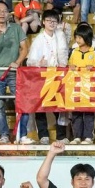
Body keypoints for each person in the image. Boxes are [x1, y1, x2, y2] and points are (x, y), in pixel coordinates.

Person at [0, 1, 30, 144]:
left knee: (21, 103)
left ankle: (22, 135)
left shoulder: (16, 28)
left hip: (14, 72)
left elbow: (25, 48)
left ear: (9, 13)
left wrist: (18, 62)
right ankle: (4, 135)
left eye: (4, 11)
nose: (2, 13)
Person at [27, 10, 70, 144]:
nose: (51, 23)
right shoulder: (39, 39)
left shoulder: (60, 35)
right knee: (40, 105)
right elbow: (30, 60)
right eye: (49, 20)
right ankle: (43, 135)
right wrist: (38, 63)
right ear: (43, 22)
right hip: (42, 76)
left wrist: (62, 66)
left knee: (59, 105)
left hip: (57, 75)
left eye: (54, 21)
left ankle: (61, 135)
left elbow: (63, 53)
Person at [68, 24, 95, 144]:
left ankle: (88, 136)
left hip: (89, 87)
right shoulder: (73, 52)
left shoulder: (94, 52)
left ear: (87, 37)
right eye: (76, 37)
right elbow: (68, 66)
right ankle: (77, 136)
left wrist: (93, 68)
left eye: (80, 37)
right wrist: (70, 67)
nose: (77, 40)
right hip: (75, 86)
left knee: (88, 112)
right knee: (76, 112)